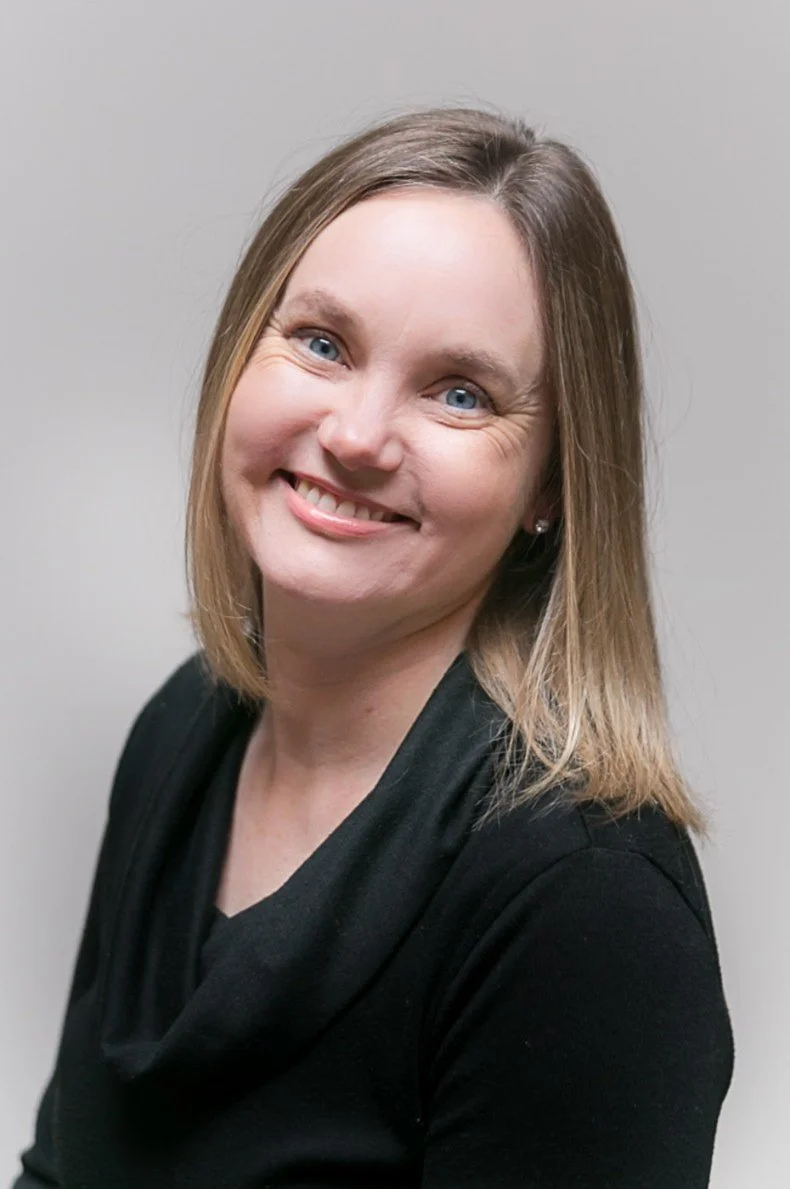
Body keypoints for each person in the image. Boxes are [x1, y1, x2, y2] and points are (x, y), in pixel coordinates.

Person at [13, 106, 733, 1188]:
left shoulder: (587, 903)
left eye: (460, 393)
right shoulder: (183, 732)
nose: (354, 436)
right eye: (322, 343)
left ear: (550, 484)